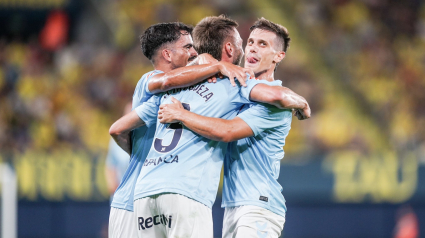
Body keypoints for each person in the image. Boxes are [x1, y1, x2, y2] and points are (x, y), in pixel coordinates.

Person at [109, 15, 310, 238]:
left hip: (258, 203)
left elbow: (231, 128)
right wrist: (212, 65)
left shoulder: (174, 90)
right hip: (216, 201)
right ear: (230, 49)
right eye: (249, 42)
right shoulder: (234, 84)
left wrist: (300, 100)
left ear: (279, 56)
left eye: (262, 44)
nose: (251, 49)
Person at [108, 22, 253, 238]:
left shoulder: (182, 91)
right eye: (187, 47)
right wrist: (216, 66)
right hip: (131, 200)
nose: (194, 53)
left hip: (145, 196)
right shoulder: (151, 84)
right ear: (167, 54)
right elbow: (118, 128)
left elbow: (118, 129)